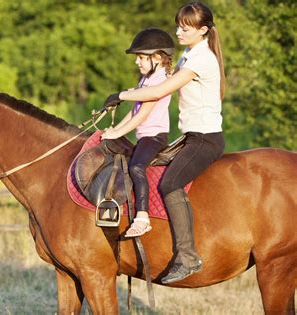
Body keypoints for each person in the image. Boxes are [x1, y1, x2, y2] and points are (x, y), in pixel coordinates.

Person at [104, 1, 226, 284]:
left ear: (203, 30)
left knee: (169, 183)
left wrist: (121, 96)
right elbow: (154, 85)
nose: (179, 33)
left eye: (185, 28)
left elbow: (159, 90)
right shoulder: (187, 55)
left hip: (205, 138)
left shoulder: (201, 59)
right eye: (178, 26)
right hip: (190, 136)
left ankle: (187, 256)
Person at [101, 28, 175, 238]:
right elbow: (134, 112)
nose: (137, 62)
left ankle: (142, 218)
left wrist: (118, 134)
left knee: (137, 167)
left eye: (142, 57)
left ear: (158, 58)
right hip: (145, 136)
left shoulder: (159, 80)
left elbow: (141, 116)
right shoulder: (147, 79)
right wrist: (115, 130)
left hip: (155, 137)